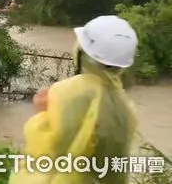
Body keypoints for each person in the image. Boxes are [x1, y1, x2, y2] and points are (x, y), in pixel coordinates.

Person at [9, 15, 138, 184]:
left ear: (82, 51)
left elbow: (48, 150)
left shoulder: (68, 91)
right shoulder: (126, 107)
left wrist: (40, 114)